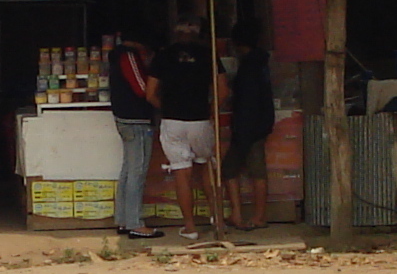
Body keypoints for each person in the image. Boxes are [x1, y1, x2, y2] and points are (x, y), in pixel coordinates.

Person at [154, 15, 221, 242]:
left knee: (182, 174)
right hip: (200, 120)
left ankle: (190, 228)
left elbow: (149, 93)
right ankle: (217, 219)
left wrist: (167, 108)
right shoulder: (209, 55)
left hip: (173, 121)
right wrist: (210, 110)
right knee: (206, 167)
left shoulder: (163, 55)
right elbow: (223, 91)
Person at [104, 27, 162, 241]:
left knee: (128, 170)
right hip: (135, 119)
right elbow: (142, 89)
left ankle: (123, 219)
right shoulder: (128, 56)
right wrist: (161, 106)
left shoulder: (117, 55)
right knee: (136, 172)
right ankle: (136, 223)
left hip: (124, 118)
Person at [224, 38, 275, 232]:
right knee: (257, 172)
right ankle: (257, 215)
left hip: (247, 127)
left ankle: (242, 214)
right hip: (260, 125)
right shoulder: (262, 64)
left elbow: (246, 101)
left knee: (231, 169)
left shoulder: (248, 67)